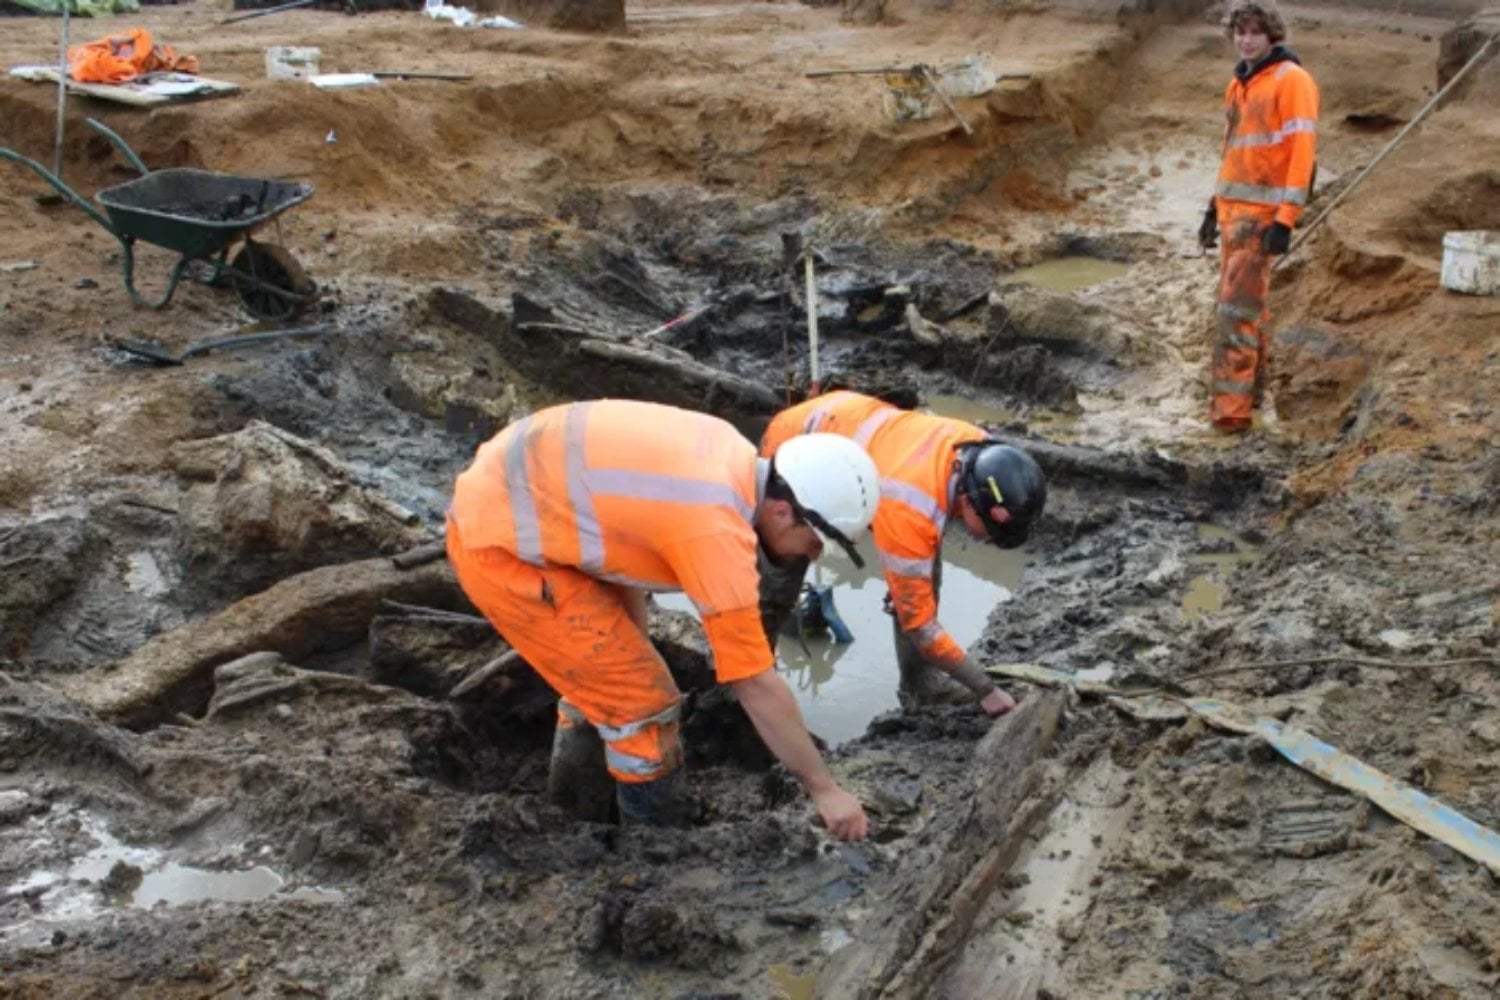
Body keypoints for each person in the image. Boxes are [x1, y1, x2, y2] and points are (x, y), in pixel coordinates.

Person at [446, 399, 881, 840]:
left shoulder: (729, 452)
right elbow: (754, 683)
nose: (811, 556)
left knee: (613, 679)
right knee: (643, 708)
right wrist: (824, 789)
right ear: (784, 512)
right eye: (814, 543)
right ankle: (653, 848)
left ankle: (577, 813)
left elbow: (622, 539)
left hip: (525, 498)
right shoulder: (716, 532)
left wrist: (629, 648)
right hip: (503, 545)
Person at [759, 391, 1046, 717]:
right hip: (793, 450)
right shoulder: (911, 509)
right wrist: (985, 689)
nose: (990, 540)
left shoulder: (980, 450)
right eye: (991, 532)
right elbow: (921, 626)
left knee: (920, 578)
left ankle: (920, 685)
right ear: (969, 502)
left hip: (846, 423)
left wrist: (907, 591)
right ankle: (753, 687)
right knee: (777, 583)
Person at [1196, 0, 1319, 432]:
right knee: (1248, 312)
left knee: (1234, 317)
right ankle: (1251, 400)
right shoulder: (1239, 84)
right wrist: (1213, 208)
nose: (1246, 40)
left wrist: (1286, 219)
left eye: (1255, 32)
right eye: (1241, 31)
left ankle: (1230, 417)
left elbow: (1303, 154)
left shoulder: (1292, 80)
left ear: (1272, 35)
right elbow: (1233, 151)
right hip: (1233, 215)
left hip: (1261, 218)